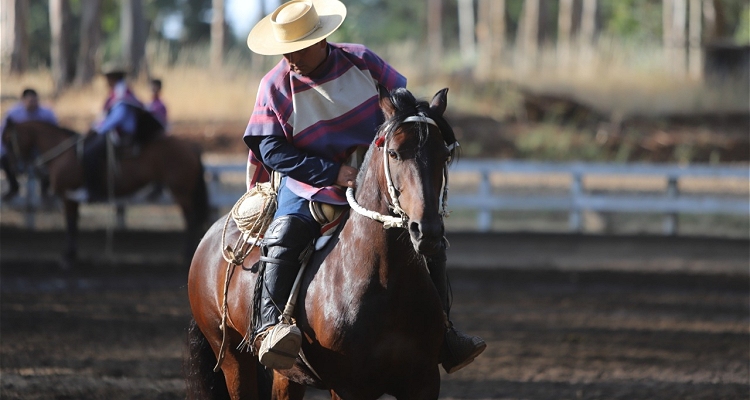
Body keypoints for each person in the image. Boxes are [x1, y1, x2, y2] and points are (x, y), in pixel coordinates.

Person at [243, 0, 485, 373]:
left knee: (428, 233)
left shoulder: (361, 61)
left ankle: (444, 331)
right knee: (285, 232)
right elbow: (271, 149)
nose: (289, 58)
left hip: (380, 179)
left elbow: (402, 106)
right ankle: (270, 327)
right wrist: (331, 172)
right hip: (310, 183)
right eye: (284, 51)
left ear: (320, 40)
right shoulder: (274, 85)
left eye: (296, 49)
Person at [67, 63, 146, 202]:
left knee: (89, 153)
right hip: (113, 131)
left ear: (112, 78)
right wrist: (94, 125)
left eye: (107, 78)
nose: (106, 81)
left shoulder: (121, 94)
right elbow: (106, 115)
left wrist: (98, 129)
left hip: (120, 133)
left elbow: (118, 117)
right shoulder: (118, 92)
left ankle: (92, 191)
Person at [0, 88, 59, 201]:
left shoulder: (47, 114)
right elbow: (3, 133)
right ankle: (14, 188)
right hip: (18, 150)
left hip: (40, 150)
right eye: (30, 101)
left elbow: (55, 133)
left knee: (49, 161)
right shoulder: (13, 114)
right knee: (4, 160)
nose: (32, 104)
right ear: (23, 101)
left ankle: (45, 192)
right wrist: (3, 150)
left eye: (35, 101)